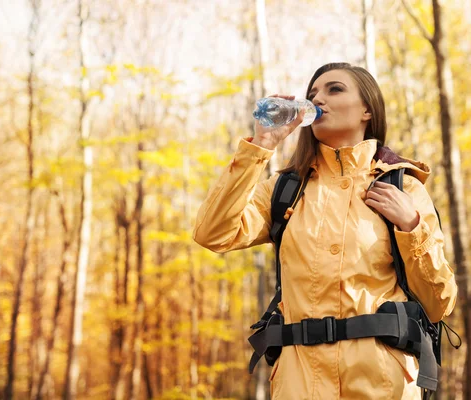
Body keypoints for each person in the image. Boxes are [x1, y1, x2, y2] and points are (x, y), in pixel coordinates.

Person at [193, 62, 457, 400]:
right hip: (299, 384)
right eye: (313, 94)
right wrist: (260, 147)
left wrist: (412, 226)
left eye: (335, 89)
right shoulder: (284, 189)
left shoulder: (402, 189)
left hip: (383, 385)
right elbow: (212, 233)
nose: (320, 100)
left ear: (367, 109)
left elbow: (439, 304)